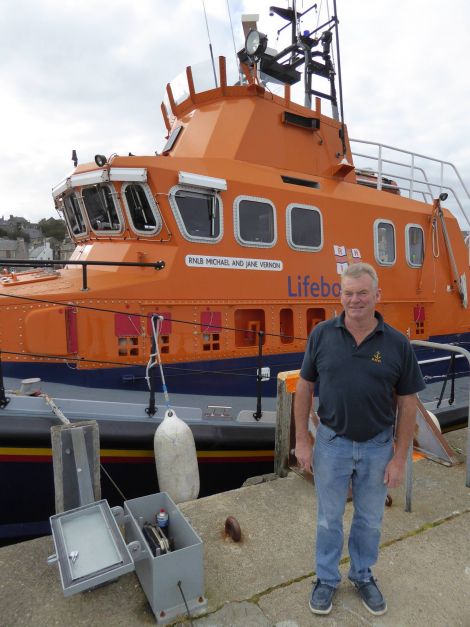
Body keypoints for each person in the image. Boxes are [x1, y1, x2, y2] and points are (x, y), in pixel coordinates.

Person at [294, 262, 425, 617]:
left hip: (378, 448)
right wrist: (302, 441)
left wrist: (400, 457)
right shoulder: (321, 334)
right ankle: (325, 579)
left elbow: (408, 402)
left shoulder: (397, 344)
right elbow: (304, 386)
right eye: (348, 293)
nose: (355, 300)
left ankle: (363, 575)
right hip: (332, 444)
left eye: (362, 293)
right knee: (328, 518)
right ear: (341, 295)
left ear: (377, 295)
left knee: (369, 519)